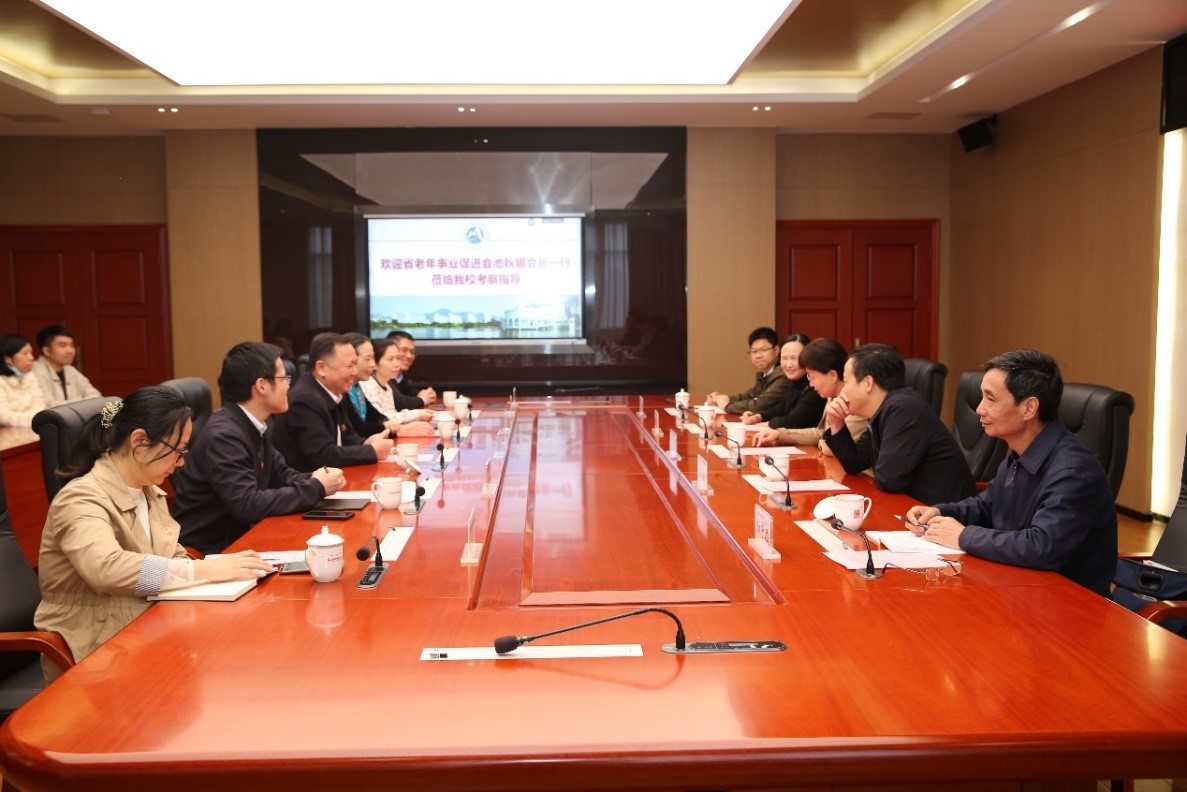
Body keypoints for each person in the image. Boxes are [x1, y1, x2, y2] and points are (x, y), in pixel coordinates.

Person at [34, 387, 273, 679]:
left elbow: (171, 554)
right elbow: (105, 568)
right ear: (139, 441)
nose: (181, 462)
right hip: (96, 652)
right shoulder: (80, 499)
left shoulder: (148, 490)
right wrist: (201, 570)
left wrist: (219, 572)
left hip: (148, 631)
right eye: (177, 451)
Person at [905, 349, 1117, 595]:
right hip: (1018, 587)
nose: (979, 409)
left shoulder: (1073, 471)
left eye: (990, 399)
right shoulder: (1020, 453)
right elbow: (987, 506)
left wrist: (963, 536)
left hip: (1068, 603)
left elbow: (1042, 546)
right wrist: (939, 513)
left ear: (1029, 408)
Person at [172, 342, 348, 556]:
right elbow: (248, 504)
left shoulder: (252, 424)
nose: (289, 386)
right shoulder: (224, 436)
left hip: (246, 537)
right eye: (283, 379)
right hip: (212, 552)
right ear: (262, 386)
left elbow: (282, 475)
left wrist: (317, 478)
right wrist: (315, 488)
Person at [823, 343, 975, 505]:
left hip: (945, 513)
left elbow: (889, 480)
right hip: (917, 508)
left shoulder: (903, 409)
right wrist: (837, 424)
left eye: (846, 381)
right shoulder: (886, 409)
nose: (842, 391)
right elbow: (855, 462)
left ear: (868, 383)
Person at [271, 332, 395, 471]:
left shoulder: (336, 391)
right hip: (305, 479)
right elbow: (322, 455)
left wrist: (366, 442)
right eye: (349, 366)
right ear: (321, 368)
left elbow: (348, 436)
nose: (355, 372)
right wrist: (371, 451)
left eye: (355, 364)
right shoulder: (306, 400)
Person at [752, 337, 867, 457]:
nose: (811, 384)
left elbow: (833, 448)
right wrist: (779, 435)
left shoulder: (853, 401)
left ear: (832, 375)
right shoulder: (832, 396)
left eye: (812, 377)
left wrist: (821, 442)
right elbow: (821, 433)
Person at [343, 333, 431, 438]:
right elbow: (360, 429)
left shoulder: (358, 386)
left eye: (397, 358)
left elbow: (379, 418)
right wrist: (398, 429)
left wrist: (392, 427)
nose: (372, 364)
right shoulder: (357, 386)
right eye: (368, 359)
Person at [741, 333, 825, 429]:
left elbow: (794, 421)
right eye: (784, 358)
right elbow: (781, 408)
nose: (788, 364)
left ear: (807, 357)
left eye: (794, 358)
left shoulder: (815, 386)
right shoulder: (796, 381)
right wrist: (759, 416)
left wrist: (768, 424)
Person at [707, 327, 789, 415]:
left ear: (776, 350)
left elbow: (759, 405)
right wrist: (723, 399)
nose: (758, 355)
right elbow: (749, 396)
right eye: (754, 351)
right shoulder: (765, 374)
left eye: (763, 350)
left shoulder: (783, 375)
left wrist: (727, 406)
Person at [30, 324, 103, 407]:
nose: (70, 351)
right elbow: (48, 405)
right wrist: (83, 401)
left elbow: (96, 396)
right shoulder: (36, 371)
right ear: (46, 351)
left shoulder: (70, 369)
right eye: (63, 345)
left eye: (72, 345)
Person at [0, 333, 46, 427]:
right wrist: (36, 419)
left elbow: (40, 405)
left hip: (30, 430)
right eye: (25, 353)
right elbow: (4, 417)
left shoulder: (30, 376)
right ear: (7, 359)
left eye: (31, 353)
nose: (31, 358)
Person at [386, 330, 437, 409]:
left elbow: (409, 391)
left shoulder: (401, 375)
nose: (409, 356)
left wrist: (424, 394)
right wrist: (423, 399)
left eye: (412, 352)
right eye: (404, 350)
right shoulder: (383, 374)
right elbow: (398, 402)